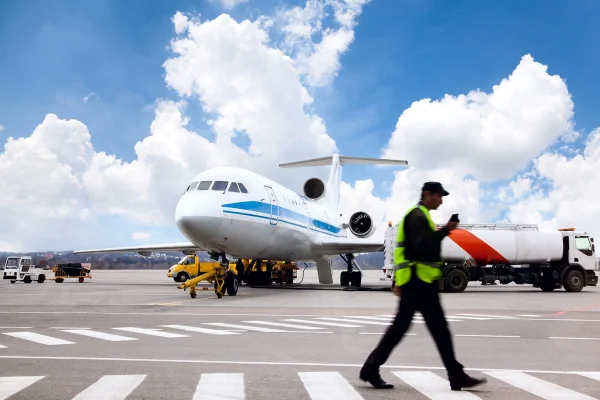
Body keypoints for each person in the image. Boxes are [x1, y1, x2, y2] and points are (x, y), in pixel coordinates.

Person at [359, 181, 487, 391]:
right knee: (434, 330)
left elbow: (412, 249)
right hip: (418, 283)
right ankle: (456, 376)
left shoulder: (420, 216)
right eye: (439, 196)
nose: (441, 200)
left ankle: (371, 368)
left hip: (417, 282)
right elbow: (422, 246)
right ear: (428, 194)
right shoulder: (417, 216)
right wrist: (446, 230)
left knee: (414, 329)